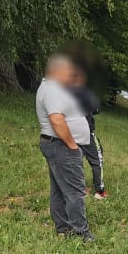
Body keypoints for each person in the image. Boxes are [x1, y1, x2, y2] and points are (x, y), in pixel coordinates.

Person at [36, 54, 95, 243]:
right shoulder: (52, 88)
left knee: (59, 189)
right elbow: (56, 119)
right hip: (61, 145)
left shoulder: (52, 87)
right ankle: (81, 233)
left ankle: (64, 228)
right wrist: (72, 146)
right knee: (75, 190)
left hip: (56, 144)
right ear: (57, 70)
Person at [70, 68, 107, 200]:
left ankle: (76, 187)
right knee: (98, 159)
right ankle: (100, 191)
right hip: (85, 132)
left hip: (70, 132)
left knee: (75, 159)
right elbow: (96, 108)